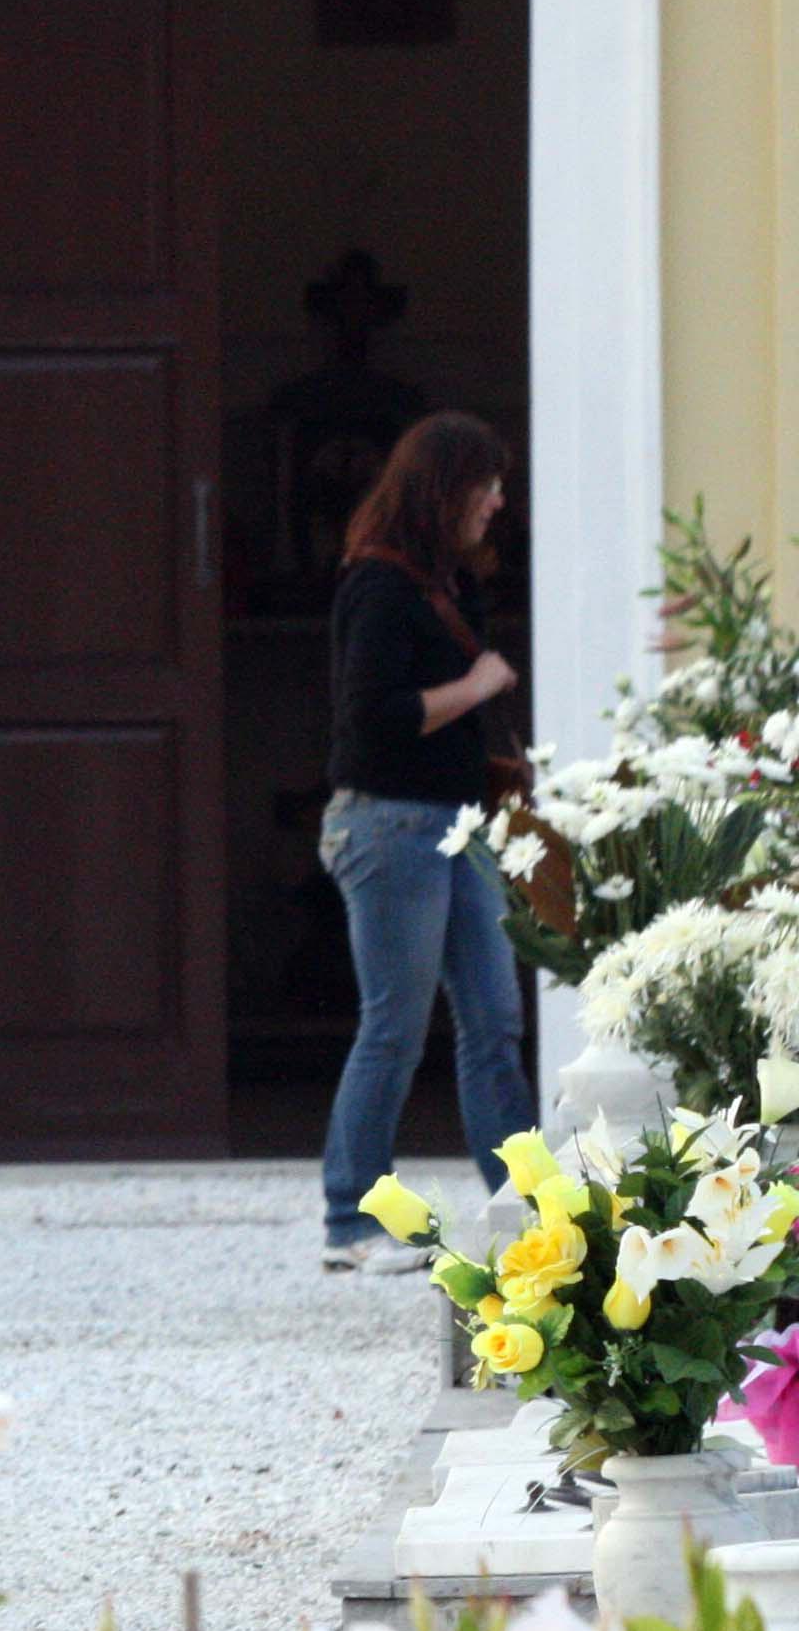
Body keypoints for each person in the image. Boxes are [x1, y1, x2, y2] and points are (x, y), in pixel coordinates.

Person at [317, 411, 533, 1273]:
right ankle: (352, 1219)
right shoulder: (378, 586)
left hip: (456, 824)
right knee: (394, 1030)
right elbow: (373, 718)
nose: (497, 501)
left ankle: (531, 1211)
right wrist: (476, 684)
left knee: (495, 1021)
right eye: (486, 484)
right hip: (391, 827)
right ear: (446, 490)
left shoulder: (445, 584)